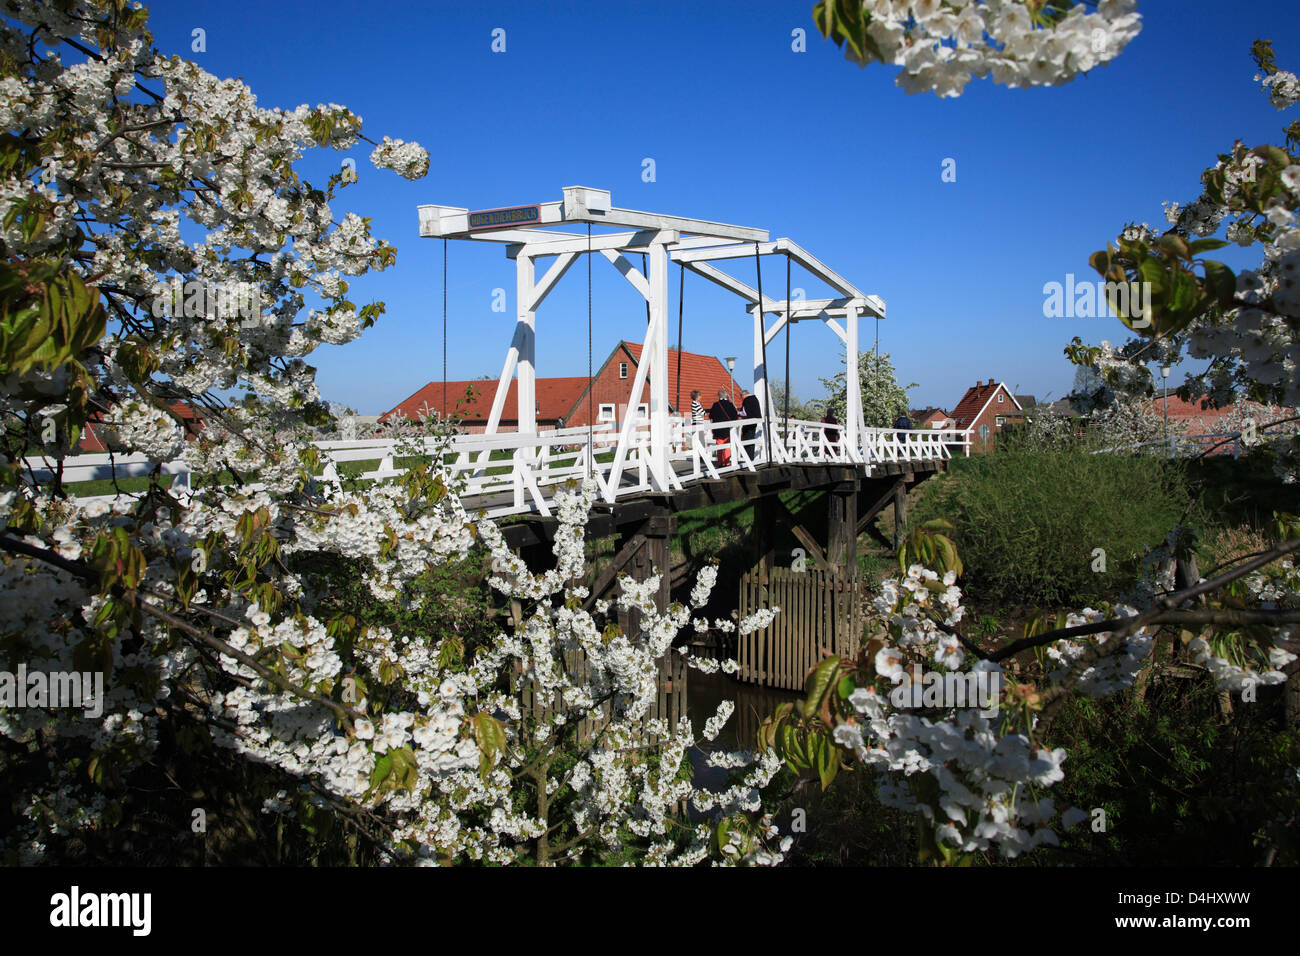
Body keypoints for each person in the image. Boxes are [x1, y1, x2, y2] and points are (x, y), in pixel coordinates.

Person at [707, 388, 738, 466]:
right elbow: (735, 416)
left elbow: (711, 416)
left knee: (719, 446)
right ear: (726, 395)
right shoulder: (730, 405)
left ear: (718, 396)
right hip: (728, 429)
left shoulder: (715, 405)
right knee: (727, 446)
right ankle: (727, 462)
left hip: (718, 430)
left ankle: (720, 462)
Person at [739, 387, 762, 461]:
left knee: (745, 440)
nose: (741, 399)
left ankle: (747, 458)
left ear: (743, 395)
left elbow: (745, 413)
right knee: (751, 440)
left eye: (741, 397)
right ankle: (750, 458)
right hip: (754, 422)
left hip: (748, 423)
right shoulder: (755, 399)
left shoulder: (746, 400)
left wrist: (738, 413)